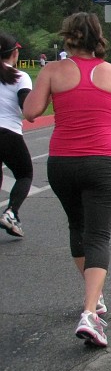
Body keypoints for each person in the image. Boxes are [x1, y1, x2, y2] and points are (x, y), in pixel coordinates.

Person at [23, 12, 111, 348]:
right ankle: (90, 313)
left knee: (77, 228)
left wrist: (58, 97)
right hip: (100, 163)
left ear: (68, 37)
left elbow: (31, 112)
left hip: (62, 162)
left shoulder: (52, 71)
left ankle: (95, 298)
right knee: (99, 236)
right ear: (98, 38)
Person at [0, 34, 32, 237]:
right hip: (8, 132)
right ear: (15, 53)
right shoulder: (20, 77)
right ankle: (11, 212)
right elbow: (26, 107)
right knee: (24, 174)